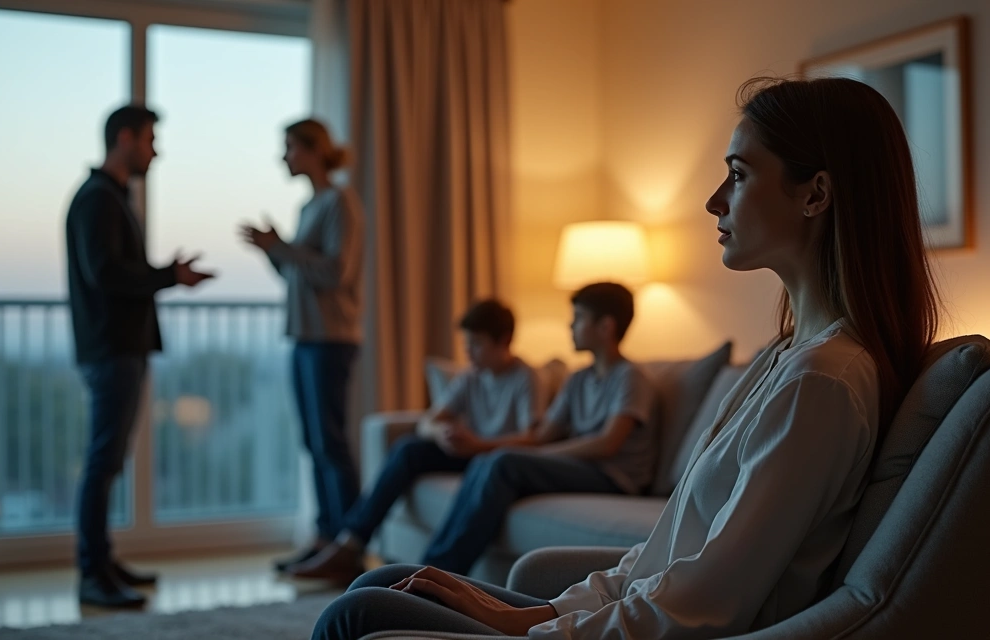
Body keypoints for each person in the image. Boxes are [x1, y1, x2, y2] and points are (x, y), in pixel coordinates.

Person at [311, 75, 941, 640]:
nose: (715, 201)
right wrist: (538, 613)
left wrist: (528, 629)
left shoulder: (822, 381)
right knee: (385, 583)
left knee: (356, 614)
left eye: (739, 174)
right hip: (630, 615)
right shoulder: (785, 359)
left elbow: (708, 604)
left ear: (815, 195)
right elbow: (667, 553)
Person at [66, 105, 214, 608]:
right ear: (124, 138)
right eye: (150, 139)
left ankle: (103, 562)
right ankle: (93, 573)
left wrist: (167, 275)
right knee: (102, 462)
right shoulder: (99, 200)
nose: (156, 150)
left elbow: (114, 271)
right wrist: (168, 276)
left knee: (106, 461)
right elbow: (106, 275)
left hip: (117, 348)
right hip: (112, 349)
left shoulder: (109, 197)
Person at [286, 299, 544, 584]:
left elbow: (532, 438)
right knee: (409, 449)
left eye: (477, 344)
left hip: (494, 458)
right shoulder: (472, 377)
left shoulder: (525, 377)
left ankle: (427, 576)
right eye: (467, 343)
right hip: (470, 452)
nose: (469, 352)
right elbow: (429, 421)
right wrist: (442, 434)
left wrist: (478, 444)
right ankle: (351, 543)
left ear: (504, 340)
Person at [410, 281, 655, 577]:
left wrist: (546, 454)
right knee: (491, 459)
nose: (570, 326)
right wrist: (491, 446)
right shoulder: (578, 379)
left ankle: (438, 575)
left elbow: (608, 444)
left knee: (504, 462)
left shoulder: (630, 378)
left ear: (605, 327)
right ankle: (426, 568)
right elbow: (541, 434)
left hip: (613, 475)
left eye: (578, 318)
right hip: (582, 465)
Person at [239, 119, 365, 573]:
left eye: (290, 147)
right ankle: (325, 537)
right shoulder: (310, 205)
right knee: (315, 442)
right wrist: (274, 251)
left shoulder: (340, 202)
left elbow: (335, 274)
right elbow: (299, 275)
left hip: (331, 338)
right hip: (305, 336)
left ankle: (347, 546)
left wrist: (284, 249)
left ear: (315, 150)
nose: (284, 156)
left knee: (330, 443)